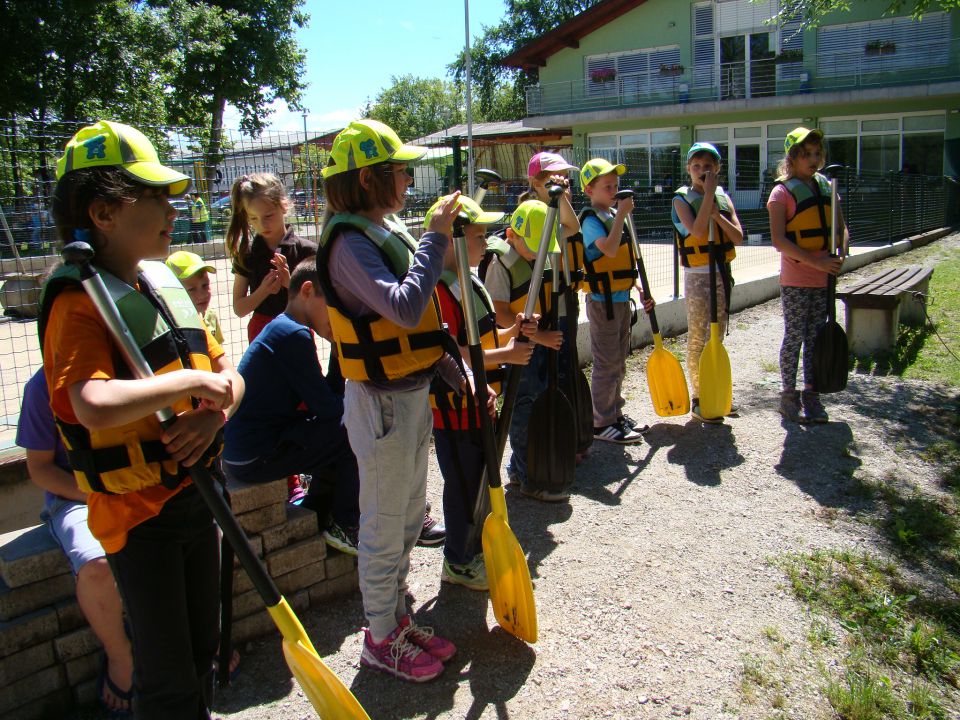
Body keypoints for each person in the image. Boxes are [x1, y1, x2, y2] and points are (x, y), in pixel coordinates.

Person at [40, 120, 244, 719]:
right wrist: (191, 383)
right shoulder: (77, 301)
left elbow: (229, 371)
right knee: (167, 672)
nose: (171, 209)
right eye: (154, 198)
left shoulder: (159, 284)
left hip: (194, 496)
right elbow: (91, 405)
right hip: (138, 517)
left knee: (204, 648)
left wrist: (215, 413)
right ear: (103, 213)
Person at [317, 118, 464, 682]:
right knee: (382, 527)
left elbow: (418, 329)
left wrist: (451, 371)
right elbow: (404, 308)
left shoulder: (383, 228)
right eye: (399, 170)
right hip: (379, 405)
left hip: (409, 394)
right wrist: (435, 236)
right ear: (368, 179)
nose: (408, 176)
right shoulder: (350, 242)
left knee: (407, 519)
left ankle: (396, 619)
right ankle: (379, 637)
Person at [424, 196, 536, 590]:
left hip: (481, 402)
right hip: (454, 409)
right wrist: (506, 353)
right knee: (463, 482)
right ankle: (458, 560)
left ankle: (471, 550)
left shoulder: (470, 283)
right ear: (453, 240)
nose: (486, 243)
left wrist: (513, 331)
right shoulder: (439, 292)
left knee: (480, 479)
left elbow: (484, 337)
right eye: (478, 235)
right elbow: (452, 352)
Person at [222, 257, 361, 553]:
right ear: (308, 291)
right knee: (353, 432)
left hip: (248, 448)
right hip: (254, 455)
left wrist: (337, 351)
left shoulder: (286, 328)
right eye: (332, 307)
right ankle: (347, 524)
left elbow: (324, 401)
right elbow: (328, 407)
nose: (335, 317)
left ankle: (319, 509)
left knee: (335, 430)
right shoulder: (292, 335)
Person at [16, 369, 134, 716]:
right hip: (75, 496)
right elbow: (40, 469)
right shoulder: (42, 387)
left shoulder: (124, 368)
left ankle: (202, 641)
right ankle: (120, 657)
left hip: (137, 484)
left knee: (204, 529)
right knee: (96, 565)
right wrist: (94, 495)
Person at [480, 200, 566, 501]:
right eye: (530, 248)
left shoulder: (535, 255)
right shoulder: (499, 264)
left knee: (536, 404)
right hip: (518, 346)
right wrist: (540, 337)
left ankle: (519, 468)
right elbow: (499, 313)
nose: (535, 254)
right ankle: (528, 477)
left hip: (536, 344)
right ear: (511, 235)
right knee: (524, 408)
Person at [767, 127, 847, 423]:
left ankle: (812, 395)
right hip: (797, 279)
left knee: (816, 337)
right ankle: (789, 395)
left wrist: (841, 250)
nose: (813, 159)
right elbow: (779, 240)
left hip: (823, 278)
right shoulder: (781, 193)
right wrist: (817, 262)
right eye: (806, 154)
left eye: (817, 154)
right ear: (793, 158)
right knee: (795, 335)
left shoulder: (828, 187)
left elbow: (841, 227)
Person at [579, 158, 654, 443]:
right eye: (607, 186)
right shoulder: (591, 221)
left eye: (616, 185)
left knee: (619, 361)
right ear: (589, 190)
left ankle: (614, 415)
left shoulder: (611, 215)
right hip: (602, 302)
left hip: (621, 299)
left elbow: (624, 260)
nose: (614, 190)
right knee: (607, 362)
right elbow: (609, 251)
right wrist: (622, 215)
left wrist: (638, 287)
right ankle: (601, 423)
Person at [672, 142, 744, 423]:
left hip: (721, 274)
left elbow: (737, 237)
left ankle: (717, 392)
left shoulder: (723, 199)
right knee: (699, 337)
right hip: (699, 277)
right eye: (697, 166)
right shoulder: (681, 199)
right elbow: (698, 230)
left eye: (709, 166)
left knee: (718, 335)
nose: (703, 171)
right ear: (689, 169)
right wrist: (708, 199)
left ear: (718, 169)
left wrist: (717, 212)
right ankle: (699, 397)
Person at [224, 172, 316, 343]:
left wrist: (290, 284)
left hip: (297, 329)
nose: (262, 224)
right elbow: (239, 309)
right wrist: (263, 291)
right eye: (253, 218)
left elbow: (318, 303)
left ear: (284, 206)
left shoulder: (307, 251)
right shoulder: (246, 254)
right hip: (261, 334)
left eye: (268, 216)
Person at [165, 250, 223, 343]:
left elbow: (219, 349)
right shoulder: (172, 324)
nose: (203, 295)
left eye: (205, 285)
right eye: (191, 289)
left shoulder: (210, 315)